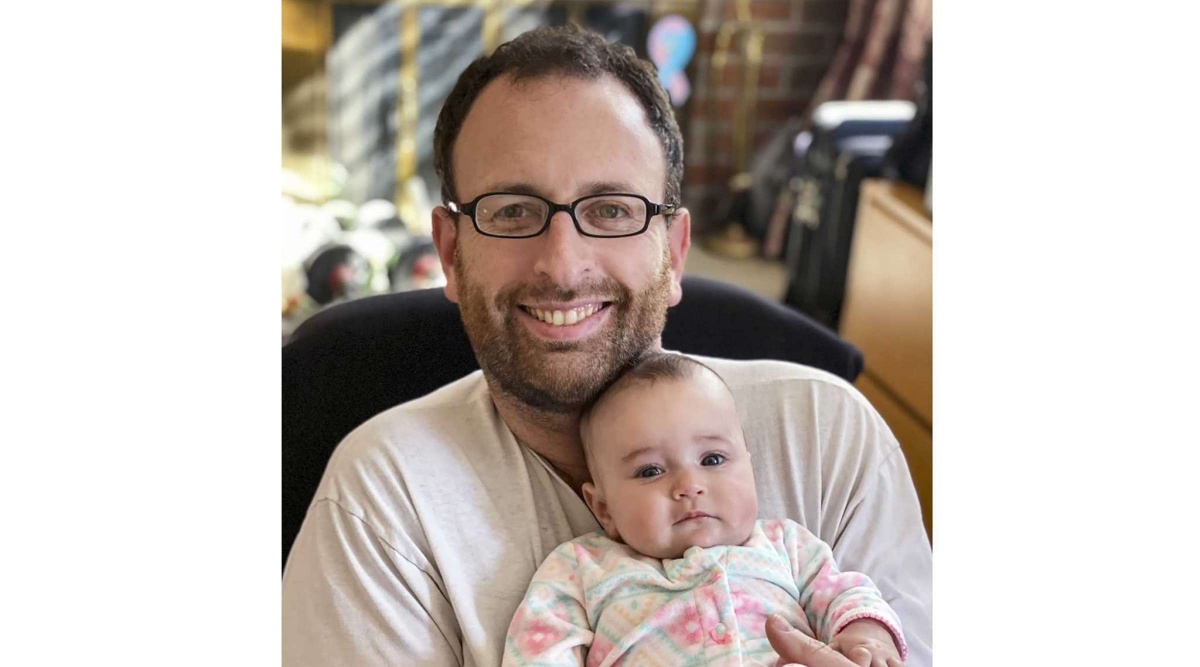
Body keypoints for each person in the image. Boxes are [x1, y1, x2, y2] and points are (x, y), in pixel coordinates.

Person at [281, 25, 933, 667]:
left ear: (675, 252)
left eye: (613, 209)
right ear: (451, 252)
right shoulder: (382, 502)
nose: (563, 266)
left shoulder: (831, 436)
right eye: (512, 210)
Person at [503, 353, 907, 667]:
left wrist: (867, 635)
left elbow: (846, 594)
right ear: (603, 507)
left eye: (712, 460)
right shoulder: (583, 569)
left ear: (749, 466)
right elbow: (540, 645)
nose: (688, 486)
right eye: (650, 471)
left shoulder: (787, 546)